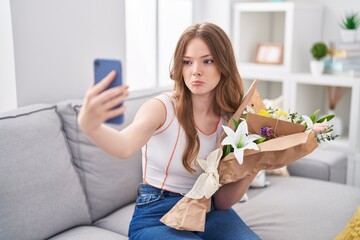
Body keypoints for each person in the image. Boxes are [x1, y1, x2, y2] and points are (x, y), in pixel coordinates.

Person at [78, 22, 261, 240]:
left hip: (207, 211)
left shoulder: (231, 119)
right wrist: (90, 125)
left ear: (223, 65)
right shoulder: (161, 108)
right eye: (187, 62)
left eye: (207, 61)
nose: (196, 71)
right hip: (156, 215)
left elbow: (222, 202)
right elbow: (124, 145)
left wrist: (258, 162)